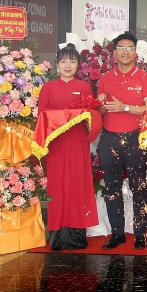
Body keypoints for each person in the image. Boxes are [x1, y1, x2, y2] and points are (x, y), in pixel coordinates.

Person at [97, 32, 147, 250]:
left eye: (129, 47)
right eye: (121, 48)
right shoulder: (105, 78)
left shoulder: (144, 77)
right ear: (114, 53)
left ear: (135, 52)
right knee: (111, 188)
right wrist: (102, 106)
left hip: (135, 137)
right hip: (109, 137)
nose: (125, 52)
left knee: (138, 186)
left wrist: (124, 107)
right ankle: (117, 233)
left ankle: (140, 233)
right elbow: (100, 111)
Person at [37, 43, 99, 250]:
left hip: (77, 142)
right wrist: (64, 116)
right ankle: (57, 235)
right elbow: (42, 116)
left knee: (77, 184)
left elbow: (91, 114)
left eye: (72, 61)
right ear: (57, 64)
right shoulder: (48, 87)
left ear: (78, 65)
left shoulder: (84, 87)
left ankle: (77, 235)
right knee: (57, 186)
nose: (67, 65)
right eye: (63, 61)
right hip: (56, 144)